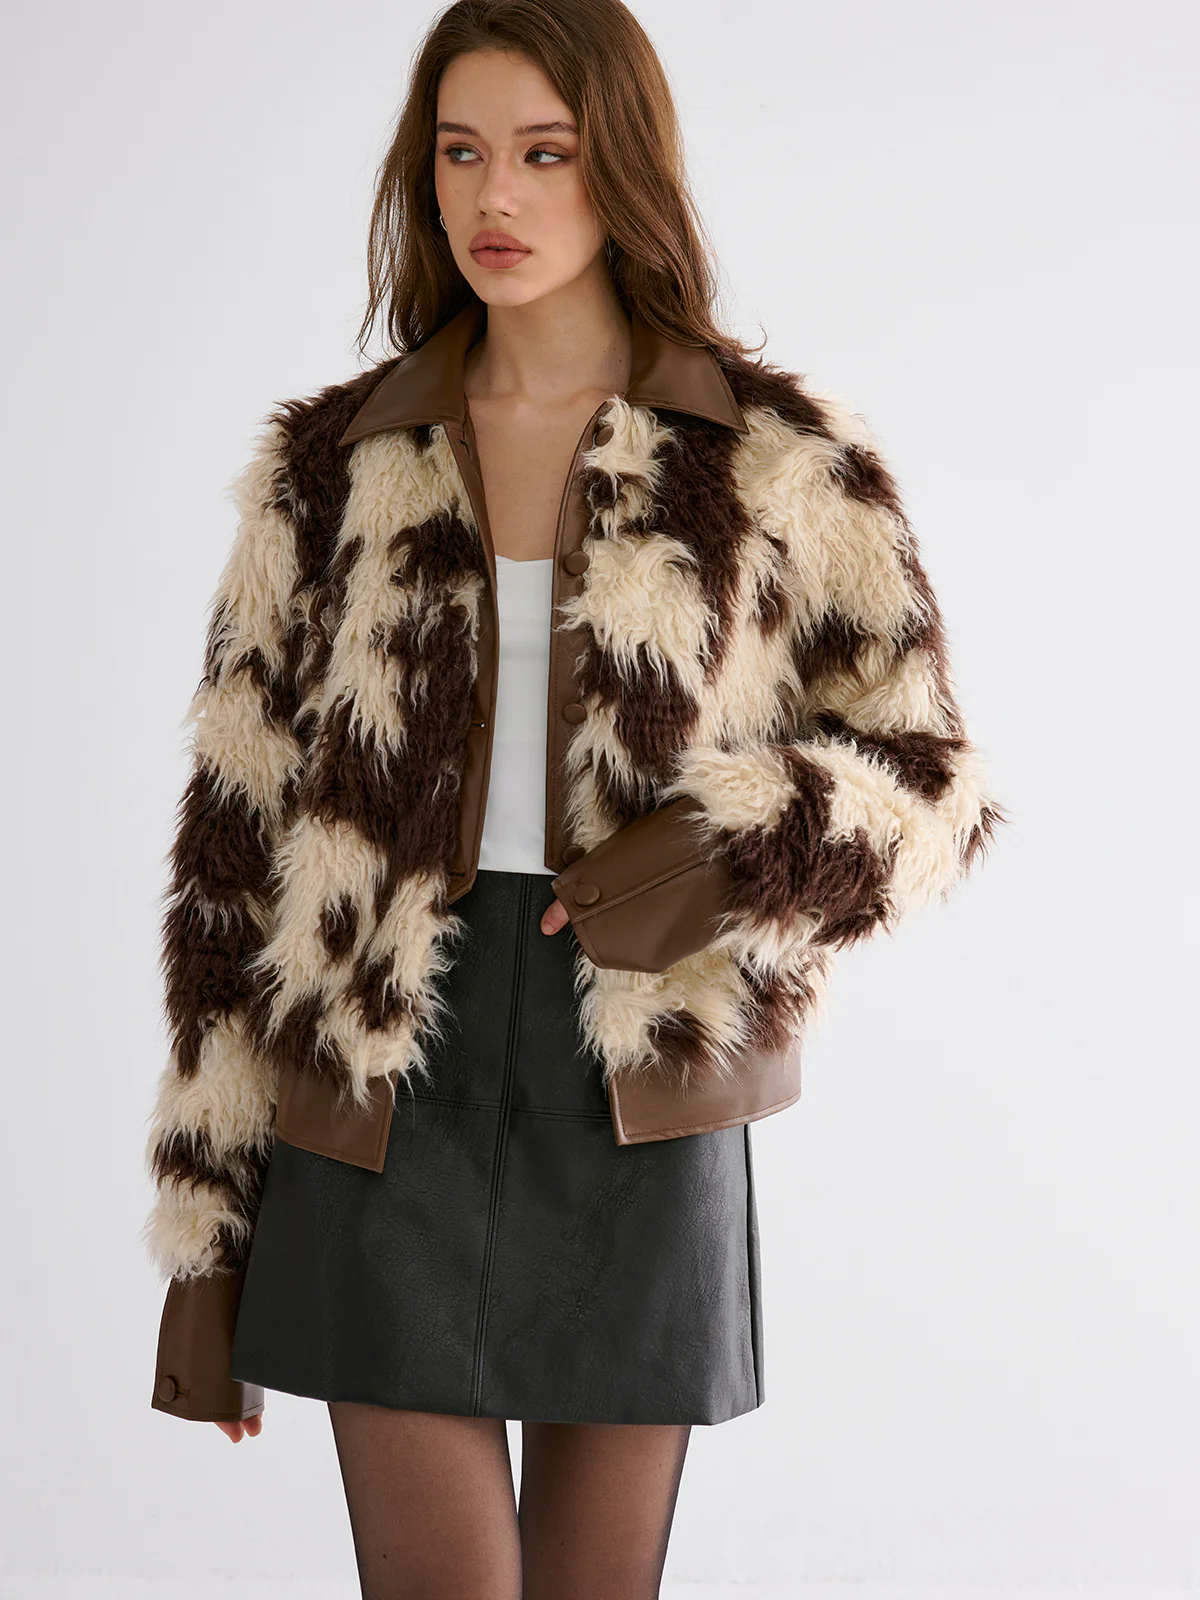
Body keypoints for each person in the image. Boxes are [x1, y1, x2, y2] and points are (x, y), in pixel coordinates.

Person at [141, 1, 1005, 1595]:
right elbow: (232, 852)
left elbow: (931, 778)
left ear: (624, 170)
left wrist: (724, 851)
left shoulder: (773, 459)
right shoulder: (333, 468)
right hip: (378, 1077)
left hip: (639, 1069)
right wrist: (208, 1241)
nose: (498, 197)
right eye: (462, 153)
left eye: (547, 154)